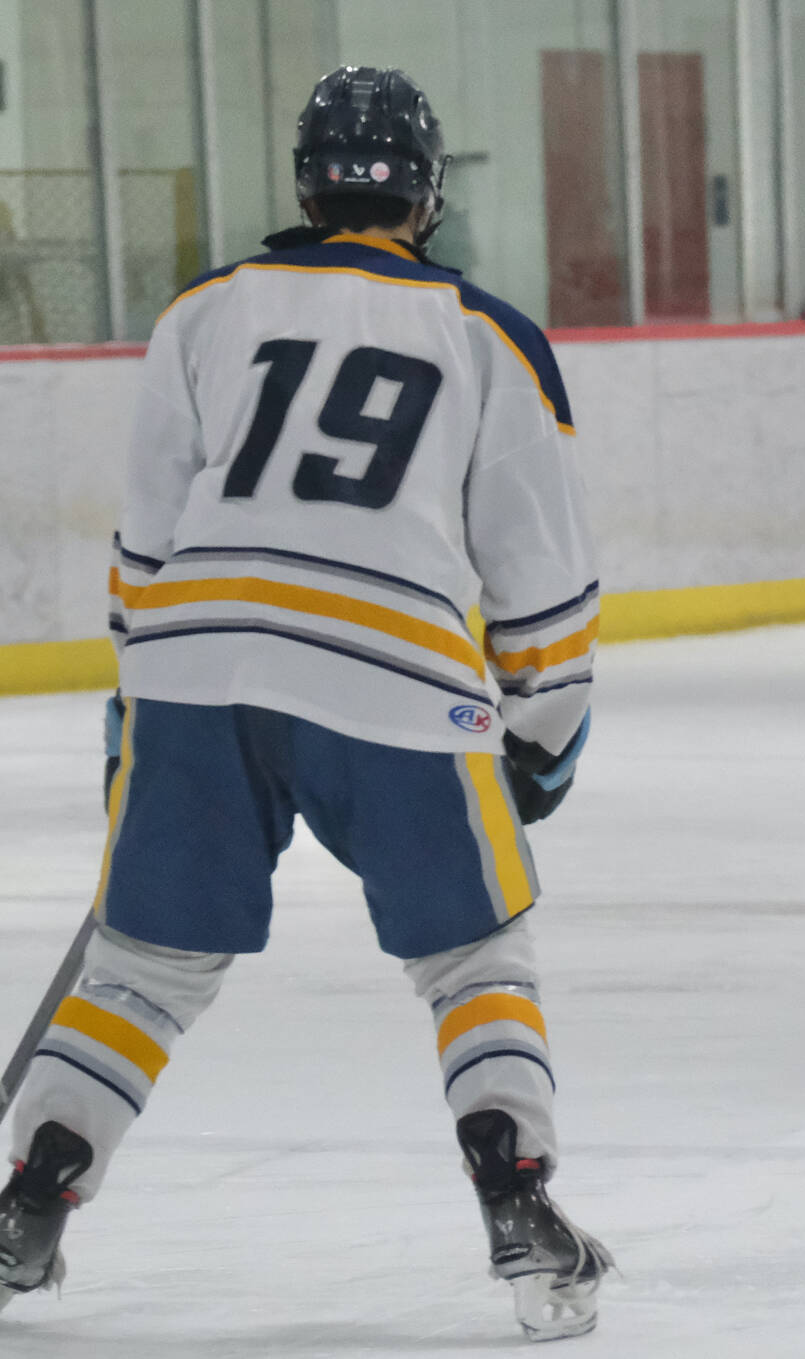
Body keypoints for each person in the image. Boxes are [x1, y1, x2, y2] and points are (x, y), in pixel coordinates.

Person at [0, 67, 610, 1340]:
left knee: (144, 967)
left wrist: (140, 700)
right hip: (391, 672)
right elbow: (536, 569)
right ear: (427, 192)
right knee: (471, 954)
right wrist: (545, 726)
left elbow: (147, 541)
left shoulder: (203, 313)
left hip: (191, 661)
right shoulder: (487, 333)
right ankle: (518, 1197)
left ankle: (32, 1194)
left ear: (307, 182)